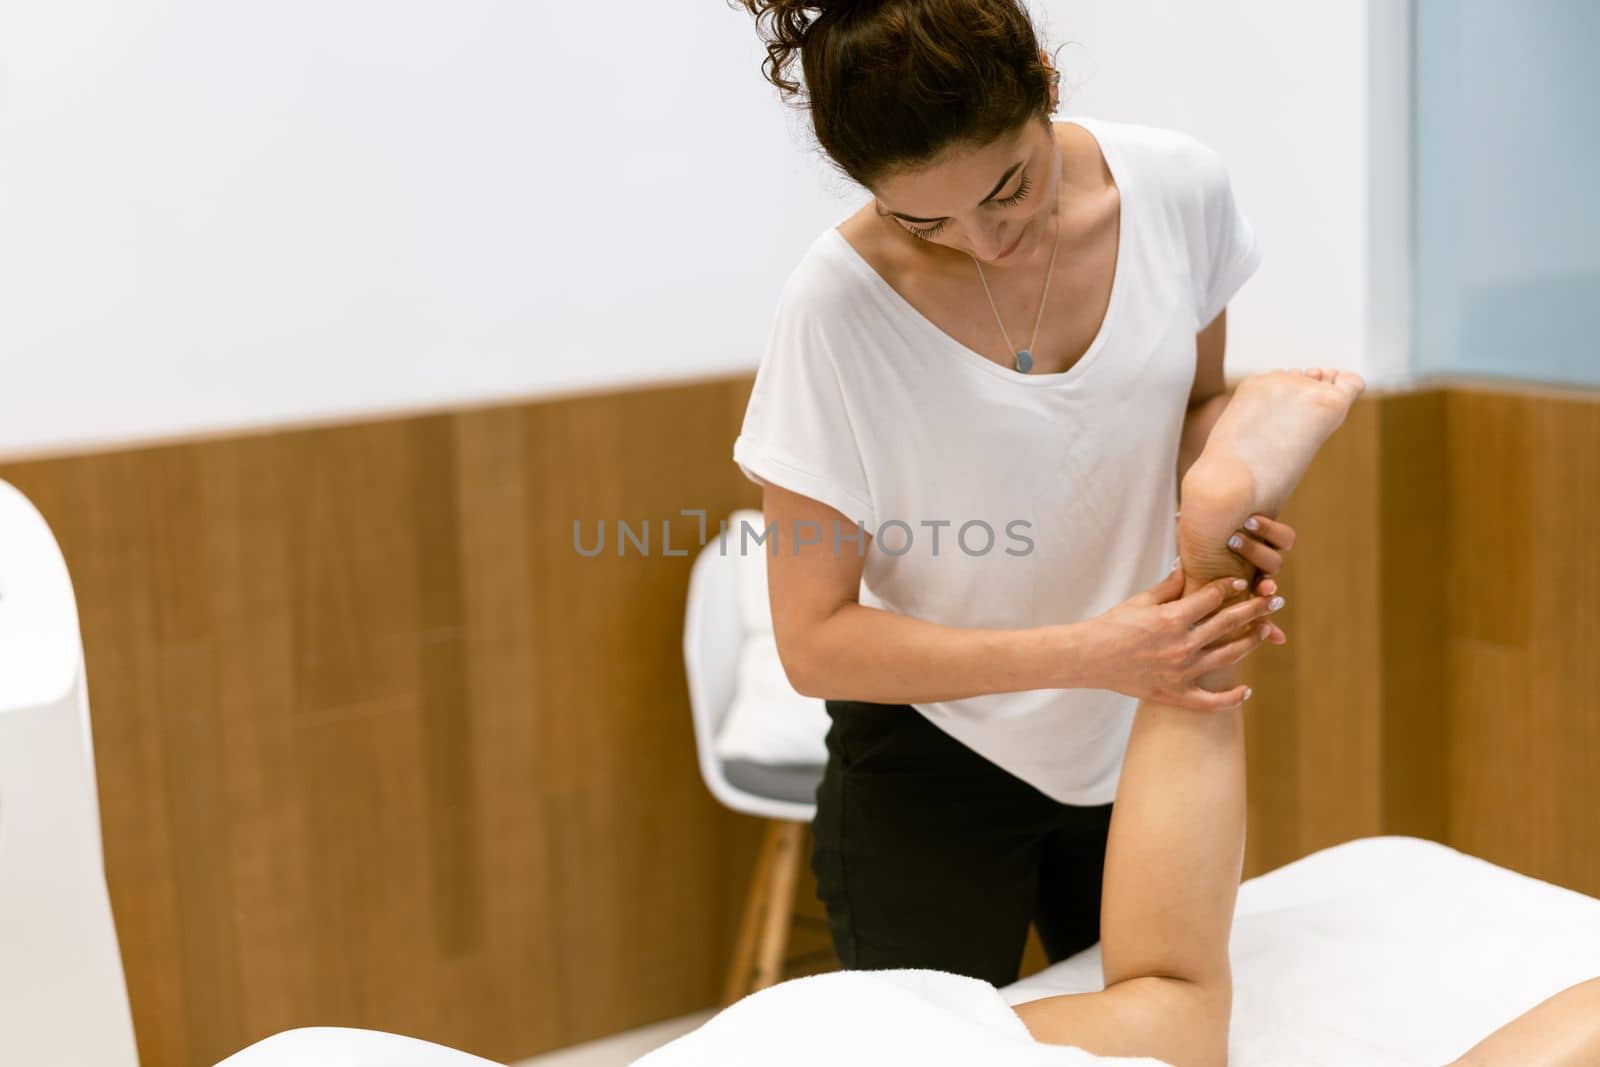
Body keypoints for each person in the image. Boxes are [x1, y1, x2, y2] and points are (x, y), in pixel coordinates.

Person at [729, 0, 1291, 985]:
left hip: (1140, 727)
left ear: (1044, 78)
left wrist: (1225, 502)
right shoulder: (834, 309)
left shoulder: (1175, 192)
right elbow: (814, 640)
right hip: (930, 761)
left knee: (1158, 1041)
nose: (984, 241)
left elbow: (1195, 408)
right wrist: (1091, 652)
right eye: (922, 219)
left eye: (1007, 188)